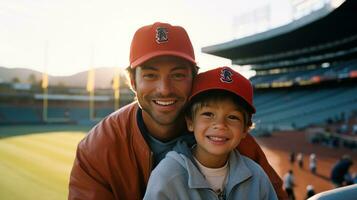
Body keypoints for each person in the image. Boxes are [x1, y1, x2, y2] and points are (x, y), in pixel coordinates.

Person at [68, 22, 286, 199]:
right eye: (150, 75)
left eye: (178, 75)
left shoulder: (223, 134)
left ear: (194, 79)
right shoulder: (98, 147)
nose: (164, 89)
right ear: (133, 82)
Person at [144, 67, 278, 199]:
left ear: (245, 129)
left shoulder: (256, 176)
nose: (220, 125)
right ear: (190, 122)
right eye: (208, 114)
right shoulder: (168, 176)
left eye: (232, 117)